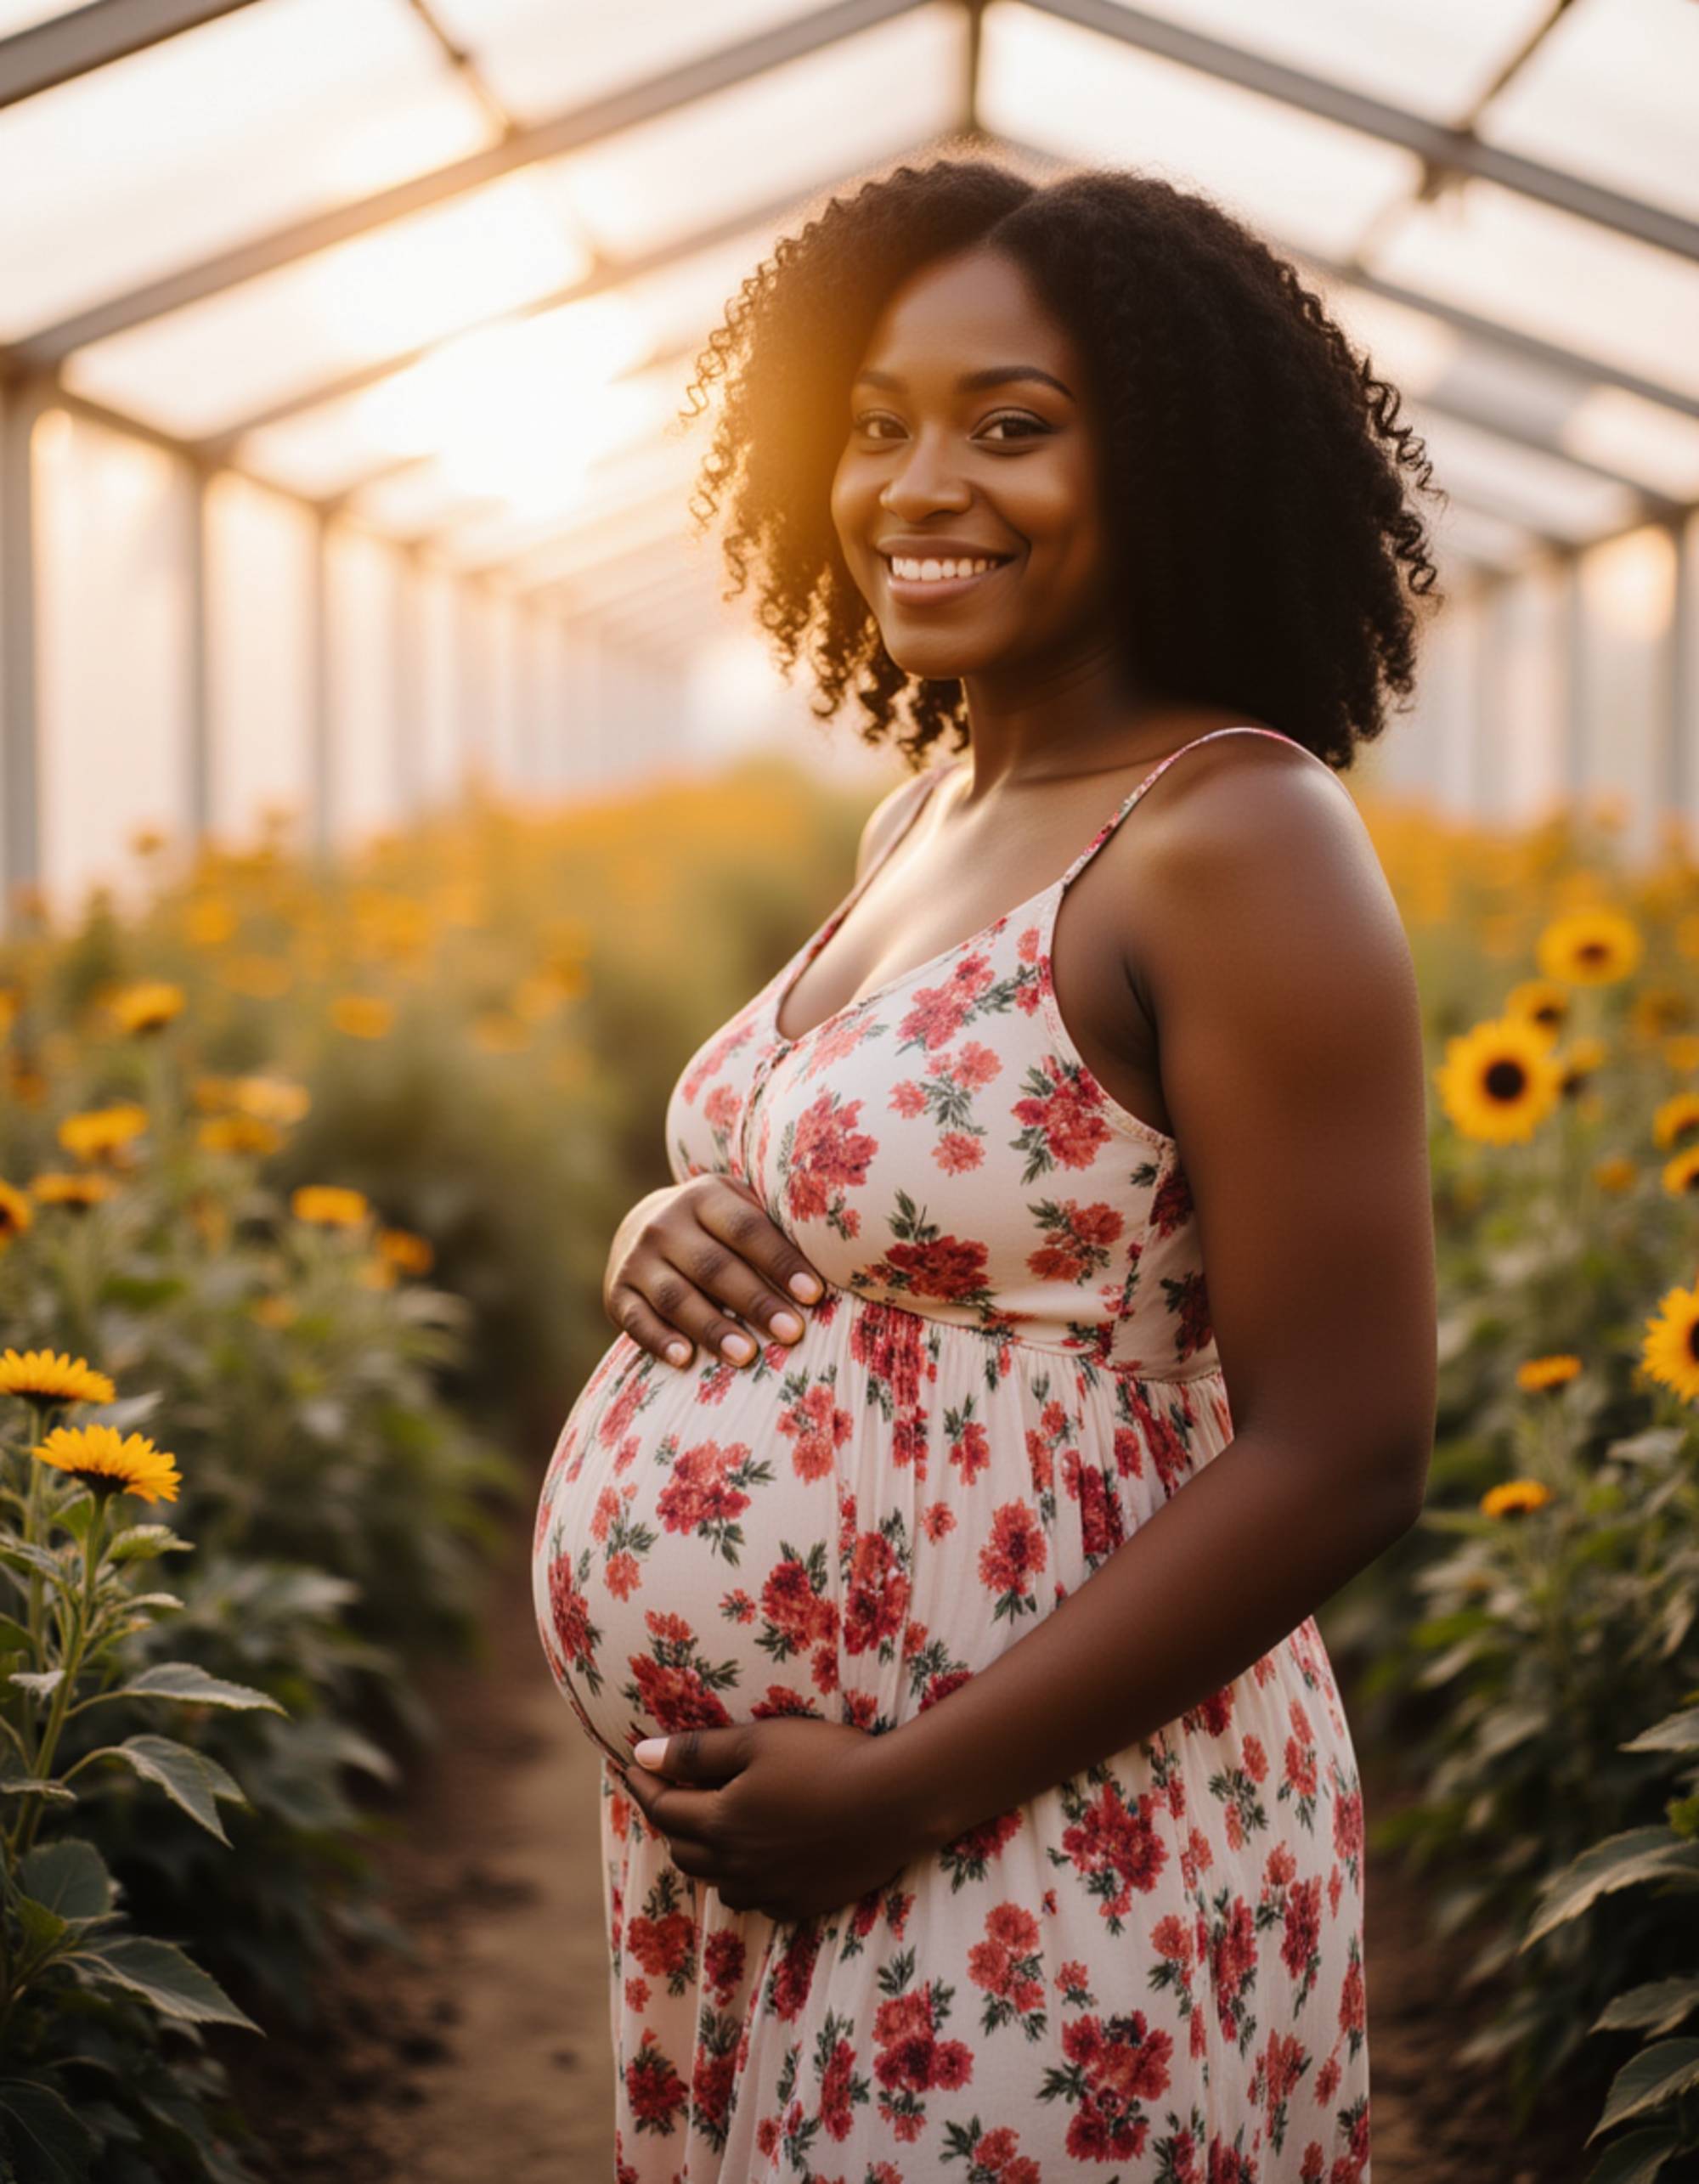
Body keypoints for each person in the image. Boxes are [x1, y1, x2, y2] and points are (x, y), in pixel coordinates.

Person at [533, 154, 1439, 2181]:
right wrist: (665, 1226)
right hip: (784, 1830)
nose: (917, 483)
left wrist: (906, 1791)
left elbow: (1349, 1442)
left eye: (1011, 427)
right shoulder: (924, 808)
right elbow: (888, 1200)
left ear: (1181, 466)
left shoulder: (1236, 838)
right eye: (872, 426)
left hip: (1036, 1817)